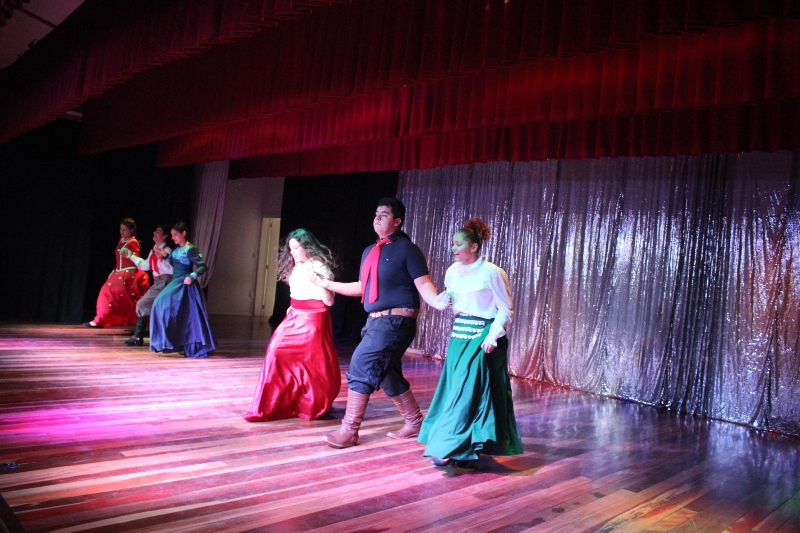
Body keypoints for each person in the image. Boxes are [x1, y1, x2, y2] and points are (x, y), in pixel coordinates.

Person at [313, 197, 448, 449]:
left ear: (397, 221)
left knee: (361, 364)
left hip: (396, 321)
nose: (377, 218)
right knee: (387, 372)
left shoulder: (408, 250)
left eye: (384, 214)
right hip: (375, 322)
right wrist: (326, 284)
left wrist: (437, 301)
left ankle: (349, 430)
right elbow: (362, 288)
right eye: (376, 213)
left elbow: (424, 284)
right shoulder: (369, 251)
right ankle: (415, 422)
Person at [418, 217, 523, 467]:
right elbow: (450, 297)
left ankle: (448, 446)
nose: (453, 248)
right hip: (458, 335)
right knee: (455, 389)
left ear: (474, 246)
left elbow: (505, 310)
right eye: (453, 244)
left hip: (481, 335)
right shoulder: (453, 271)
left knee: (465, 391)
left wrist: (492, 336)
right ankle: (462, 445)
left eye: (458, 244)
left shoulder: (492, 273)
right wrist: (444, 300)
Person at [244, 229, 341, 422]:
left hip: (313, 318)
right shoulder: (298, 265)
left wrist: (321, 283)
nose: (292, 252)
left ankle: (310, 403)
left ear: (307, 246)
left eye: (296, 248)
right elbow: (297, 291)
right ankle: (281, 401)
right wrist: (292, 306)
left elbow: (329, 301)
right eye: (291, 248)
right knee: (276, 352)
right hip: (295, 314)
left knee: (312, 363)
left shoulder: (319, 266)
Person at [149, 222, 217, 358]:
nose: (173, 237)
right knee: (160, 305)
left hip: (184, 283)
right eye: (172, 235)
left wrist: (192, 276)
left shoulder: (190, 249)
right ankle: (174, 342)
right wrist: (165, 257)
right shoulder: (177, 248)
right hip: (176, 281)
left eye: (175, 235)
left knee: (184, 314)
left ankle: (188, 343)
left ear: (183, 233)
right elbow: (176, 264)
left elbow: (203, 266)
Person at [83, 218, 150, 328]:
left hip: (128, 273)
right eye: (121, 229)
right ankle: (101, 319)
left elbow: (135, 260)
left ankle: (100, 320)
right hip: (119, 272)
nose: (122, 232)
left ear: (131, 230)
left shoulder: (133, 242)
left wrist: (129, 275)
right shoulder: (121, 240)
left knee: (109, 293)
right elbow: (119, 261)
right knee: (118, 297)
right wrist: (114, 271)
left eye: (124, 230)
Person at [120, 225, 174, 346]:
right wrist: (131, 256)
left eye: (158, 231)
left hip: (165, 284)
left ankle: (139, 336)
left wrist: (162, 259)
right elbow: (146, 266)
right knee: (153, 308)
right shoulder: (154, 250)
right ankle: (143, 336)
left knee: (143, 304)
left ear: (165, 236)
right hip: (158, 284)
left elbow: (171, 270)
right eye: (155, 231)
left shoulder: (167, 250)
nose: (155, 233)